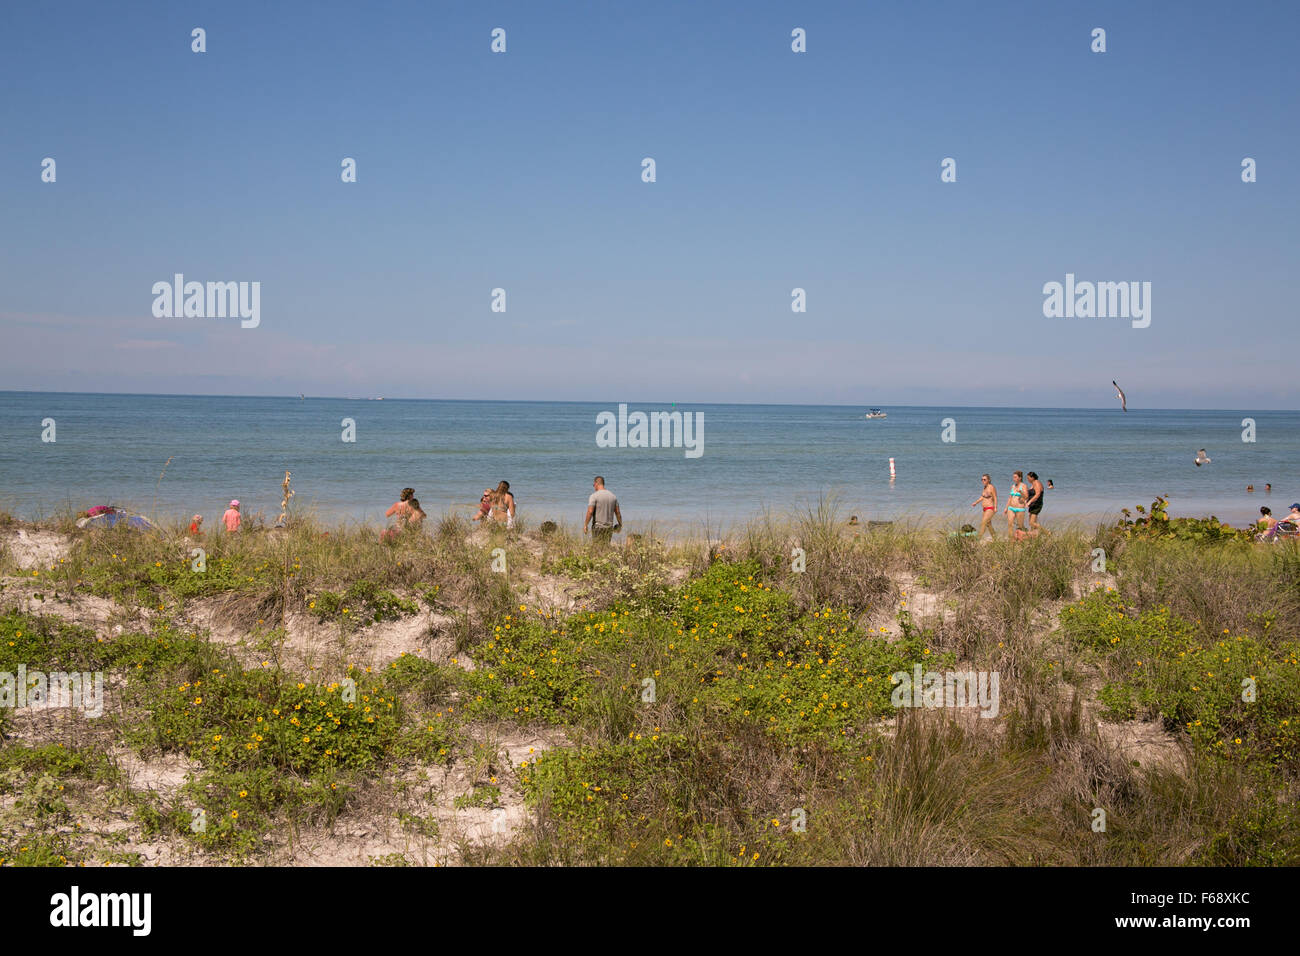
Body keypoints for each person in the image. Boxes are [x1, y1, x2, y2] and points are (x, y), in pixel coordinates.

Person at [584, 476, 621, 545]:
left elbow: (590, 511)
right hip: (609, 527)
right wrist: (620, 524)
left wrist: (585, 524)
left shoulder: (594, 496)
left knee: (597, 548)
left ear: (596, 483)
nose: (594, 487)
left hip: (598, 527)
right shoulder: (613, 496)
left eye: (593, 485)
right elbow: (618, 512)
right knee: (606, 547)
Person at [971, 474, 998, 540]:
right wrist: (976, 502)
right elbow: (982, 497)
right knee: (988, 524)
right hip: (984, 509)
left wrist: (995, 507)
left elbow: (995, 497)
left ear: (989, 480)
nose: (983, 481)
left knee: (983, 523)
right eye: (982, 479)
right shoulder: (984, 487)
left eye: (984, 479)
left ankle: (978, 539)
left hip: (990, 508)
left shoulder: (991, 487)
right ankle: (995, 538)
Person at [1005, 471, 1029, 536]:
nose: (1014, 479)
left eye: (1015, 477)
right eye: (1013, 477)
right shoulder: (1013, 486)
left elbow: (1026, 497)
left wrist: (1021, 492)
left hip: (1020, 508)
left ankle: (1027, 533)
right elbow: (1010, 498)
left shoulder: (1024, 486)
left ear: (1020, 478)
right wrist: (1006, 508)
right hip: (1011, 508)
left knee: (1020, 526)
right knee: (1010, 524)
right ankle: (1010, 540)